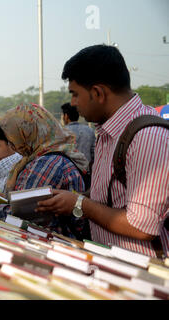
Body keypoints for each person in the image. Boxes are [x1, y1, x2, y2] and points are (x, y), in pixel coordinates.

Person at [36, 44, 169, 257]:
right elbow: (109, 196)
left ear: (98, 93)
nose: (73, 103)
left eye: (75, 94)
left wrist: (79, 203)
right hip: (114, 263)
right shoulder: (107, 133)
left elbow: (141, 226)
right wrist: (72, 198)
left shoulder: (147, 137)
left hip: (143, 272)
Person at [0, 104, 90, 240]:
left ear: (27, 132)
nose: (13, 144)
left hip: (53, 243)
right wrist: (0, 200)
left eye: (13, 138)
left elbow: (23, 214)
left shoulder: (47, 163)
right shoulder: (36, 158)